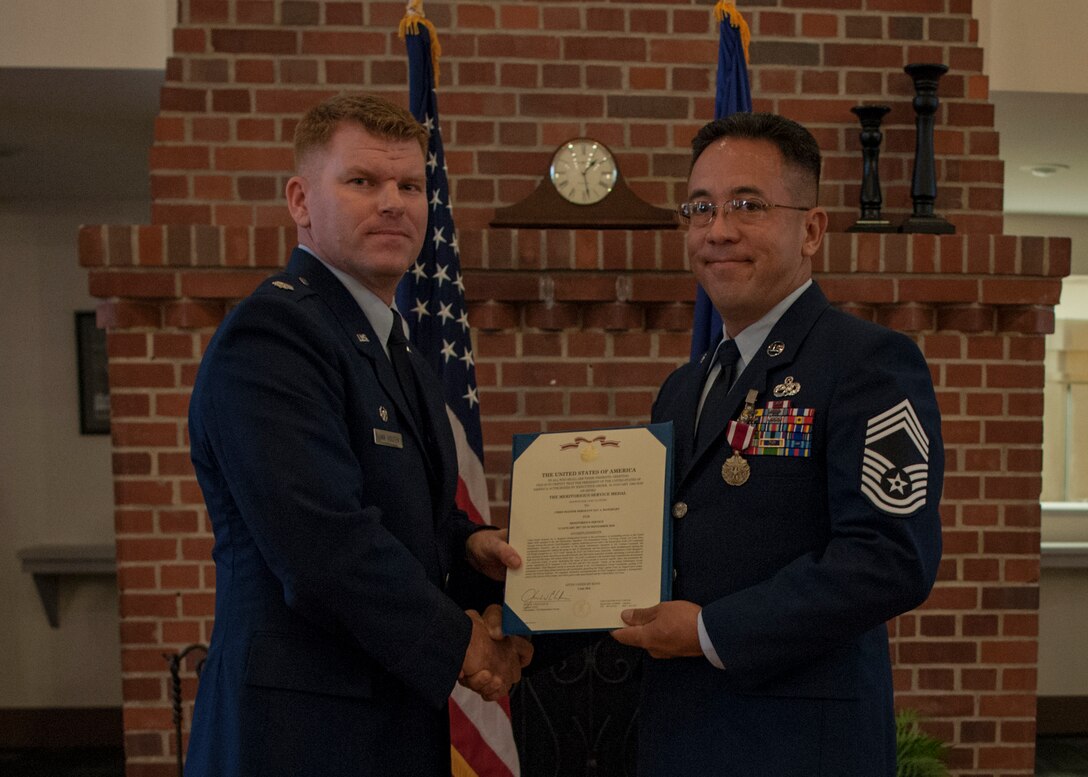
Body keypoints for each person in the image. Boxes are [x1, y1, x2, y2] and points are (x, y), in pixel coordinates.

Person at [185, 94, 529, 777]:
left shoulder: (394, 346)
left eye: (410, 185)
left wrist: (469, 542)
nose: (393, 203)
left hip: (389, 719)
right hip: (298, 734)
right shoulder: (275, 335)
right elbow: (322, 541)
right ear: (301, 199)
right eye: (362, 182)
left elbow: (404, 512)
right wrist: (463, 643)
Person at [611, 112, 944, 775]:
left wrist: (711, 631)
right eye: (700, 208)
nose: (718, 230)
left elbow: (889, 557)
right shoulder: (684, 387)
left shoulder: (867, 363)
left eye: (747, 206)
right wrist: (531, 625)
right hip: (680, 735)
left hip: (800, 745)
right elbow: (651, 552)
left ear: (812, 228)